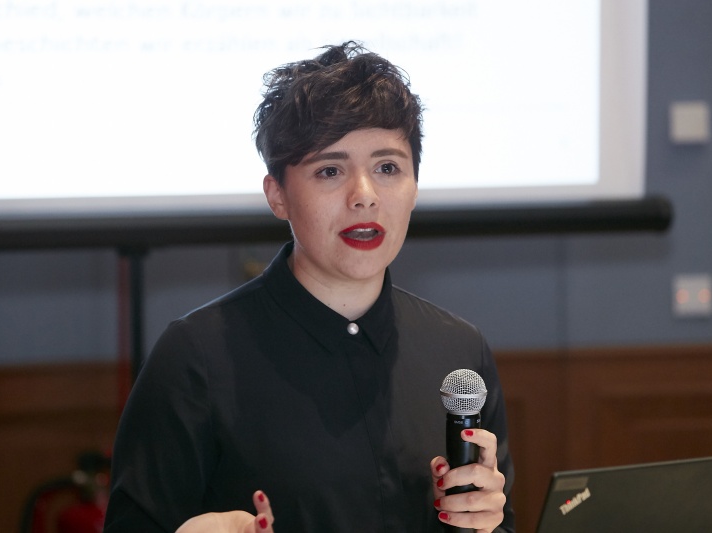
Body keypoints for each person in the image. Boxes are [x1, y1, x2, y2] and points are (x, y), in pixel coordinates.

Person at [104, 41, 515, 533]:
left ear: (414, 188)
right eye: (329, 170)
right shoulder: (196, 358)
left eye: (388, 168)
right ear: (277, 195)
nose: (364, 197)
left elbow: (502, 523)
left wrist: (486, 522)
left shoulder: (459, 350)